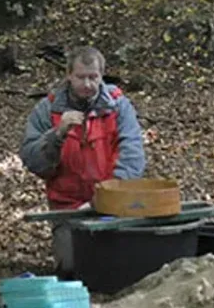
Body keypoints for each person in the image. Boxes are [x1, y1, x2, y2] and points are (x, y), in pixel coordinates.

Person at [20, 45, 145, 276]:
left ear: (102, 75)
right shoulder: (47, 109)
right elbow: (33, 161)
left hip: (112, 204)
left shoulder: (118, 106)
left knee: (123, 268)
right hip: (67, 208)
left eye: (93, 77)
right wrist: (57, 135)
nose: (87, 84)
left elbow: (132, 156)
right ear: (69, 75)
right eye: (80, 77)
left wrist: (106, 197)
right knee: (72, 269)